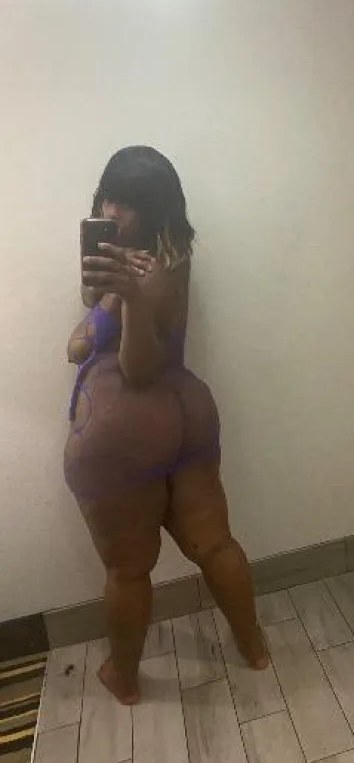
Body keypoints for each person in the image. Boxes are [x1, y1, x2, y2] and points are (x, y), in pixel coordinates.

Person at [64, 146, 268, 705]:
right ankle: (253, 645)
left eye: (128, 203)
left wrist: (120, 302)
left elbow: (137, 368)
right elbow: (98, 306)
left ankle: (124, 678)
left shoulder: (145, 277)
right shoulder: (171, 257)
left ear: (154, 210)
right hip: (187, 412)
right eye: (108, 197)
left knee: (128, 571)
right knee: (215, 543)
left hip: (125, 429)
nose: (113, 211)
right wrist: (109, 290)